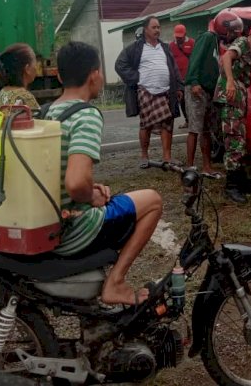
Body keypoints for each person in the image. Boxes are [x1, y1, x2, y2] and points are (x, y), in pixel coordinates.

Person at [46, 42, 163, 306]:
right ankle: (116, 283)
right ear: (94, 75)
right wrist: (90, 196)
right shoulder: (85, 116)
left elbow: (60, 170)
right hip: (73, 227)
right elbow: (75, 183)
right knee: (153, 200)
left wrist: (91, 187)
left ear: (60, 76)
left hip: (50, 218)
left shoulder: (48, 111)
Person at [214, 25, 251, 204]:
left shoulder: (248, 49)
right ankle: (231, 186)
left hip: (237, 100)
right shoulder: (243, 43)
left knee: (240, 139)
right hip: (231, 99)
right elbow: (226, 57)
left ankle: (240, 180)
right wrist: (230, 81)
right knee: (234, 141)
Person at [115, 16, 183, 165]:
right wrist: (136, 78)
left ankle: (167, 157)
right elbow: (120, 65)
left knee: (167, 123)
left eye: (158, 27)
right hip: (146, 91)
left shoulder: (164, 47)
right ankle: (144, 157)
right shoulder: (136, 48)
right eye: (154, 27)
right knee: (146, 124)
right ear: (146, 29)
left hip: (165, 91)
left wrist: (178, 86)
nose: (157, 30)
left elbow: (174, 68)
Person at [184, 11, 241, 173]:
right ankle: (189, 165)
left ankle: (207, 166)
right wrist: (194, 81)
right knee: (195, 129)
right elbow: (195, 59)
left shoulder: (217, 42)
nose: (232, 34)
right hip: (197, 87)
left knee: (206, 130)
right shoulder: (207, 37)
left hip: (208, 90)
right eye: (231, 31)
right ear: (224, 28)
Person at [0, 43, 40, 115]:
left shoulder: (1, 94)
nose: (36, 67)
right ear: (27, 68)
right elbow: (38, 122)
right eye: (35, 63)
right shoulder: (25, 97)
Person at [169, 24, 195, 129]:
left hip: (190, 77)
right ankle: (187, 120)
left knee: (192, 100)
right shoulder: (171, 45)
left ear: (185, 34)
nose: (179, 38)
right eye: (177, 36)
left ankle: (194, 120)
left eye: (181, 36)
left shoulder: (192, 43)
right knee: (182, 101)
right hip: (179, 79)